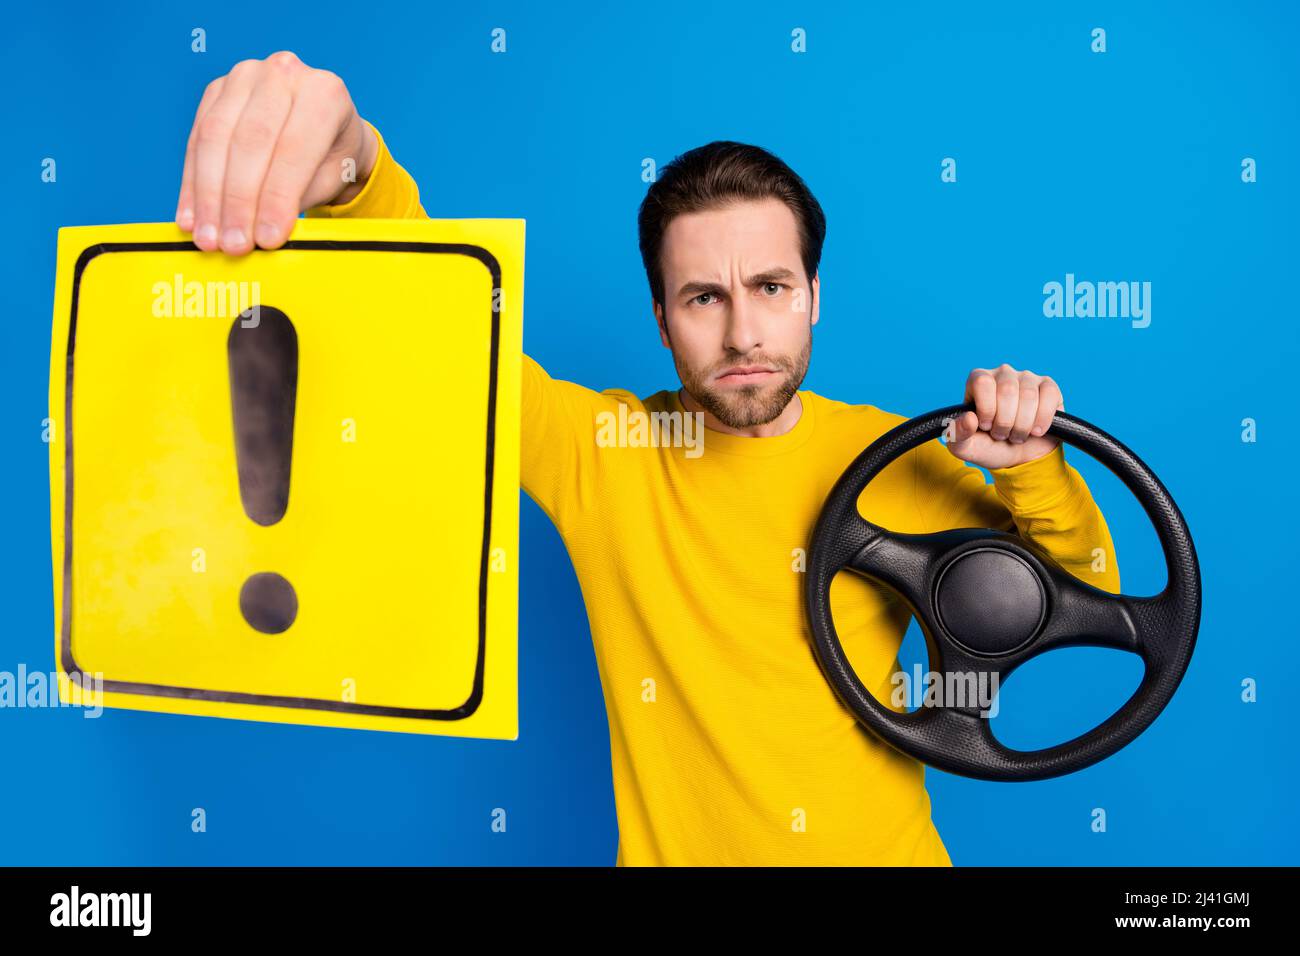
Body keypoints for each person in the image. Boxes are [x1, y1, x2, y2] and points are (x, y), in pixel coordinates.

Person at [174, 51, 1120, 866]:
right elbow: (447, 330)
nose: (746, 329)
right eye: (704, 296)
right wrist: (353, 161)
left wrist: (1033, 462)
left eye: (771, 286)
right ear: (661, 320)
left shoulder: (889, 457)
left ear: (814, 297)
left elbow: (1089, 588)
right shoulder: (603, 453)